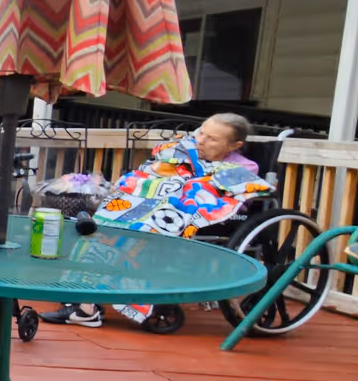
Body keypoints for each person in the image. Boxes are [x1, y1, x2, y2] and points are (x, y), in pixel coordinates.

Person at [43, 112, 263, 328]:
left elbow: (214, 195)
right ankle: (85, 297)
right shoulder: (184, 152)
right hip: (153, 205)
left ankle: (88, 306)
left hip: (194, 215)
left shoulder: (245, 168)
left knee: (140, 231)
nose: (201, 141)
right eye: (201, 133)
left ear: (234, 145)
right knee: (102, 223)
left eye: (212, 138)